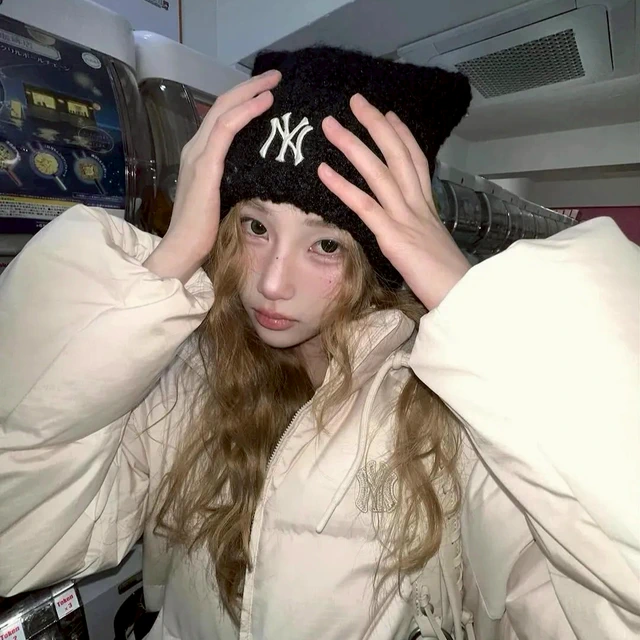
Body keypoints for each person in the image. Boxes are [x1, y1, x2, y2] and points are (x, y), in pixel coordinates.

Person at [0, 46, 638, 640]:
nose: (271, 284)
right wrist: (167, 263)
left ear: (385, 258)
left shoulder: (452, 424)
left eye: (327, 244)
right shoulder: (185, 375)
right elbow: (17, 539)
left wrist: (469, 301)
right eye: (255, 227)